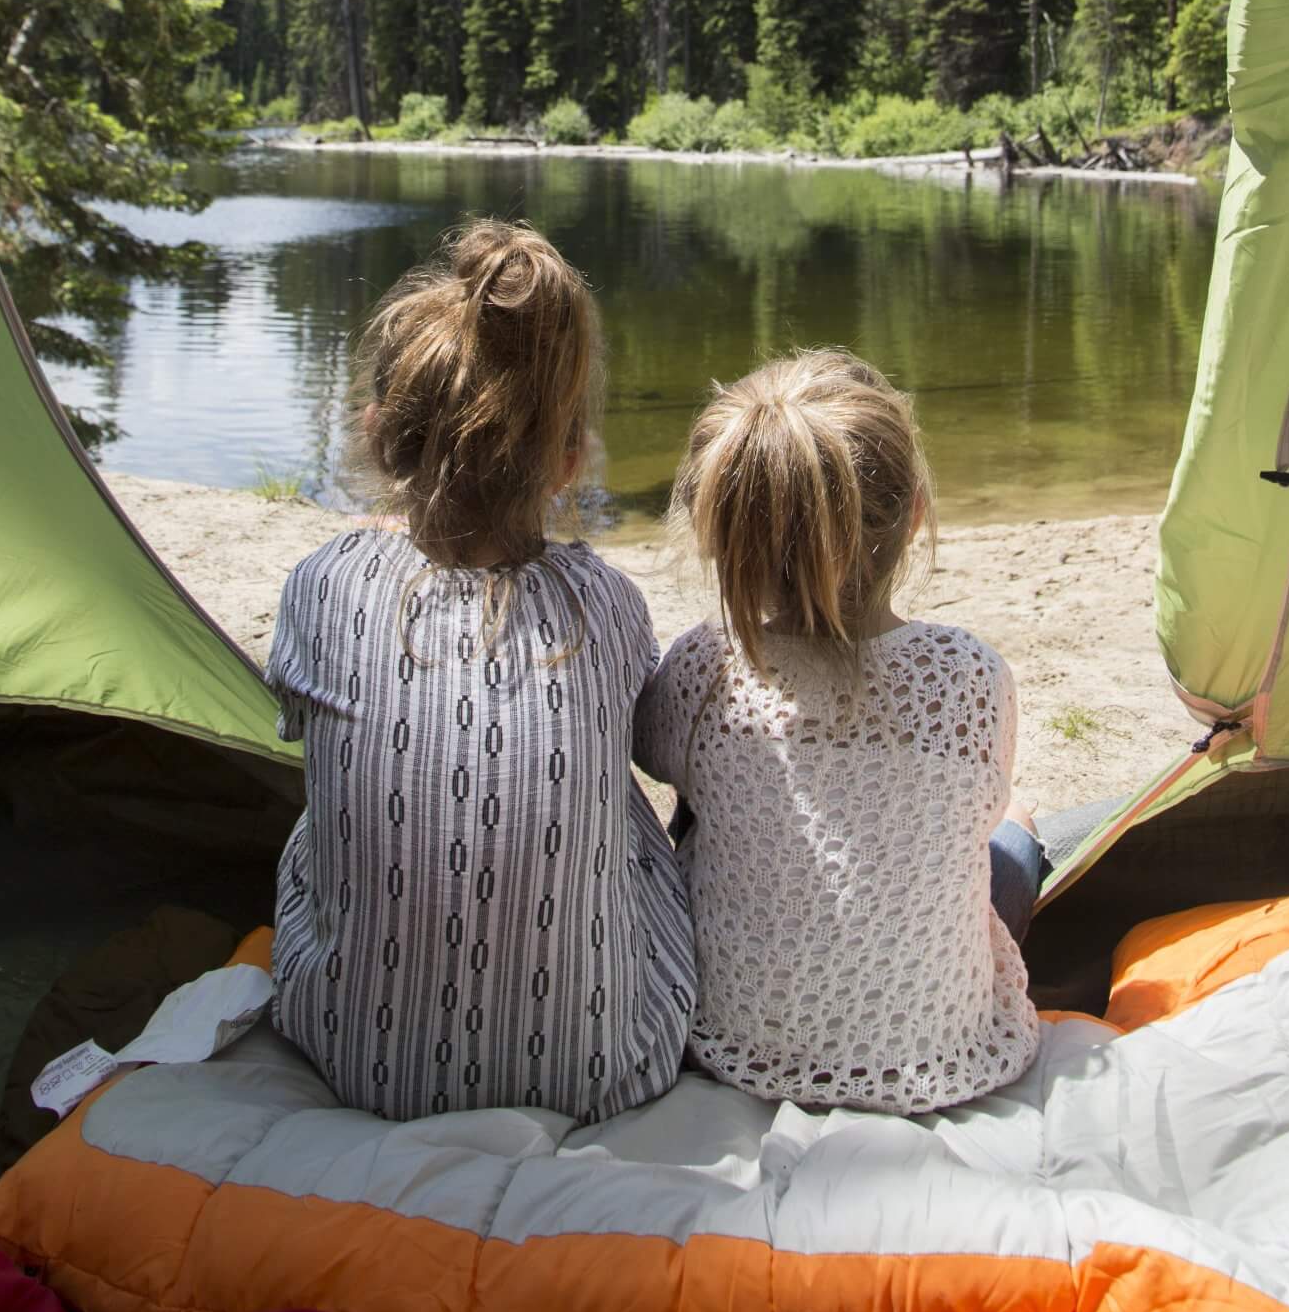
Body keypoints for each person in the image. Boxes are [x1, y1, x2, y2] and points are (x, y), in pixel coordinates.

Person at [266, 218, 695, 1124]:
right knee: (625, 812)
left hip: (355, 1057)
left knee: (321, 815)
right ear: (568, 461)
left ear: (381, 439)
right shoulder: (605, 604)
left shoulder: (323, 586)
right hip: (604, 1069)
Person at [634, 349, 1041, 1117]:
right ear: (915, 512)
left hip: (733, 1041)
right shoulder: (968, 674)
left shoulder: (702, 665)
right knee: (1012, 840)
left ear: (724, 534)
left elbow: (655, 755)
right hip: (933, 1051)